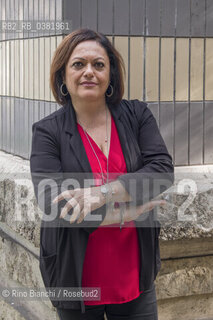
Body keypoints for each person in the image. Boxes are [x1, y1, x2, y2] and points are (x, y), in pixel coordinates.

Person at [30, 28, 174, 320]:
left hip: (134, 275)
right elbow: (53, 204)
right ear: (63, 75)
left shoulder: (137, 116)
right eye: (78, 64)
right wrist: (125, 214)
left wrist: (101, 193)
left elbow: (161, 171)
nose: (89, 72)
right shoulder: (48, 131)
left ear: (111, 75)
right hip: (76, 279)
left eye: (98, 64)